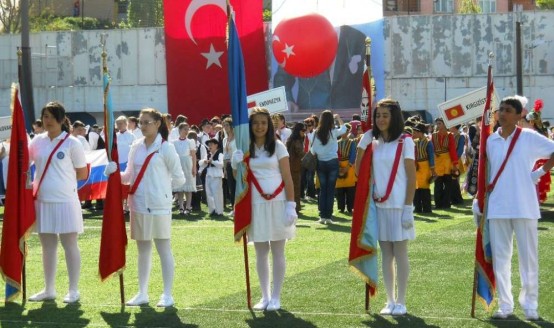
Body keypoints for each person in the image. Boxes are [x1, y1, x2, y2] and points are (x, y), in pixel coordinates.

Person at [472, 96, 554, 321]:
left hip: (524, 205)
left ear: (519, 115)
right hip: (498, 206)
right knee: (501, 258)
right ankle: (505, 305)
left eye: (508, 110)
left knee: (529, 259)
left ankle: (530, 305)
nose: (503, 113)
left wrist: (539, 172)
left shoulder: (528, 137)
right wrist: (478, 200)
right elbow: (484, 173)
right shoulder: (490, 141)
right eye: (501, 109)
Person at [106, 108, 185, 307]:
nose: (142, 126)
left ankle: (167, 294)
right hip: (139, 204)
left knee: (163, 248)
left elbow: (180, 178)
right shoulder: (136, 146)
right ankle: (142, 292)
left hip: (159, 206)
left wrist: (164, 192)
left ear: (158, 123)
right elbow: (128, 176)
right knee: (143, 249)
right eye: (141, 122)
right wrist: (114, 172)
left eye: (147, 122)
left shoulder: (166, 148)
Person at [355, 99, 416, 316]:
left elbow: (411, 177)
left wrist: (408, 207)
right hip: (379, 206)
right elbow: (358, 173)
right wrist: (362, 144)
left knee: (400, 253)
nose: (380, 119)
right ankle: (390, 299)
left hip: (399, 206)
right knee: (386, 254)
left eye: (385, 115)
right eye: (378, 115)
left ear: (394, 117)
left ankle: (401, 300)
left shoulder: (405, 141)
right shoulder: (374, 142)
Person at [232, 107, 297, 311]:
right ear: (250, 126)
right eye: (255, 123)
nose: (260, 126)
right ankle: (265, 295)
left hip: (277, 203)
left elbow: (287, 177)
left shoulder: (278, 146)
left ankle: (277, 296)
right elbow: (240, 180)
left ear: (269, 125)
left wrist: (291, 205)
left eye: (263, 122)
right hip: (255, 204)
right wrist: (235, 164)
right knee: (261, 251)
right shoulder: (246, 147)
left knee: (278, 250)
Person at [28, 101, 88, 303]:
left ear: (62, 120)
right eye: (45, 116)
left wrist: (61, 183)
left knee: (69, 244)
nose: (48, 120)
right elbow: (22, 162)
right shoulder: (37, 141)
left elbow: (82, 172)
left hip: (65, 200)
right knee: (47, 246)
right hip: (43, 201)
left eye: (52, 117)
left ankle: (73, 290)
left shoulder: (73, 143)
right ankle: (49, 289)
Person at [310, 110, 346, 224]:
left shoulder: (316, 133)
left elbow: (312, 150)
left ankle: (322, 216)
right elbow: (344, 129)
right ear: (331, 120)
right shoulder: (333, 131)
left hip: (321, 163)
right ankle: (328, 216)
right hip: (332, 162)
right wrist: (339, 118)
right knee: (330, 190)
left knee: (322, 190)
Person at [431, 117, 458, 209]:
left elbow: (452, 150)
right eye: (437, 124)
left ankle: (446, 203)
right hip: (438, 161)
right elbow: (431, 149)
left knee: (448, 184)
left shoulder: (450, 135)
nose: (438, 125)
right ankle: (438, 204)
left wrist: (455, 164)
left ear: (445, 124)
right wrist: (434, 154)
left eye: (439, 123)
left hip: (447, 162)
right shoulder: (433, 135)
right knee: (438, 184)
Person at [171, 122, 197, 214]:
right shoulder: (174, 142)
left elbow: (193, 156)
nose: (186, 131)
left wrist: (194, 168)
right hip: (178, 165)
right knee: (180, 187)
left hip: (188, 164)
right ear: (180, 130)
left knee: (188, 187)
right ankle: (181, 206)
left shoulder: (190, 142)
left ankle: (188, 206)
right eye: (185, 129)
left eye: (187, 129)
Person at [412, 122, 436, 213]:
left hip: (425, 166)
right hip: (416, 166)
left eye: (415, 132)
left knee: (425, 187)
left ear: (420, 132)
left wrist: (433, 169)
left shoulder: (428, 142)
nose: (414, 134)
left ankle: (426, 208)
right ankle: (417, 208)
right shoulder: (414, 142)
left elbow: (431, 156)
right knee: (416, 187)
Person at [199, 138, 224, 217]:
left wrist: (212, 161)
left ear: (216, 145)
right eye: (209, 145)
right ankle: (212, 210)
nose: (209, 146)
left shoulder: (220, 154)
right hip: (209, 175)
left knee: (217, 194)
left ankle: (219, 211)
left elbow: (221, 165)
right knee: (209, 193)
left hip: (217, 175)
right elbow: (201, 163)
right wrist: (204, 161)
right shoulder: (208, 154)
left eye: (211, 144)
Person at [335, 123, 357, 213]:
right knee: (339, 188)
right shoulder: (336, 143)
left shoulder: (352, 142)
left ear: (348, 132)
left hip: (349, 166)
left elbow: (353, 155)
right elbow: (334, 154)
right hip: (339, 165)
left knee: (350, 189)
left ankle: (350, 207)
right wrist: (338, 166)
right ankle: (341, 207)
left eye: (346, 131)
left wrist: (348, 166)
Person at [286, 122, 306, 214]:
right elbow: (300, 153)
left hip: (290, 166)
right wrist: (310, 155)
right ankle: (296, 207)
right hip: (295, 167)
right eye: (303, 130)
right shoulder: (297, 141)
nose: (304, 132)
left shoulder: (291, 139)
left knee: (292, 188)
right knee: (296, 188)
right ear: (298, 131)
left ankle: (294, 206)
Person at [222, 117, 237, 216]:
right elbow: (224, 154)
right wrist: (225, 169)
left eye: (227, 125)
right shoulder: (225, 139)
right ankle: (234, 208)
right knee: (231, 188)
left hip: (237, 165)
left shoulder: (237, 138)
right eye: (224, 125)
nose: (225, 127)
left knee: (238, 187)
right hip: (228, 165)